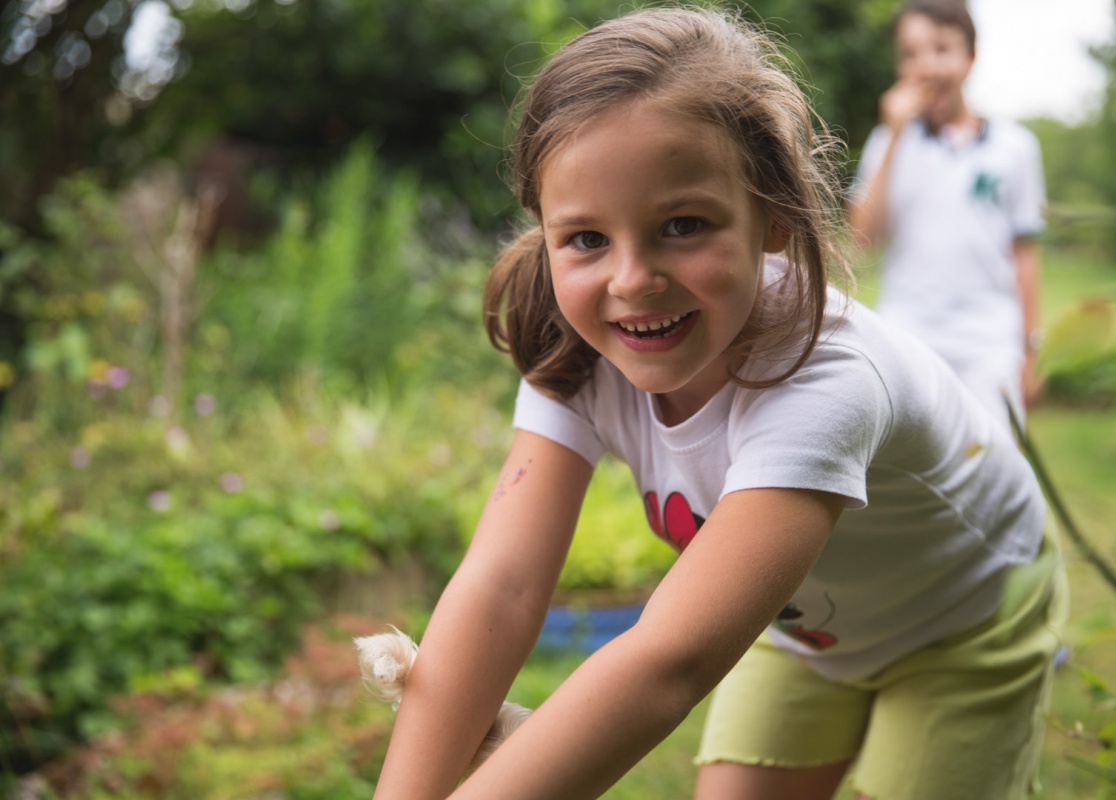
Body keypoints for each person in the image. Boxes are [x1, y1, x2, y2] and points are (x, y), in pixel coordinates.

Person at [370, 7, 1066, 800]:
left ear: (772, 218)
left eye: (682, 225)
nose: (632, 281)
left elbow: (670, 662)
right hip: (809, 633)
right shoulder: (576, 348)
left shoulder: (824, 377)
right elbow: (501, 585)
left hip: (967, 618)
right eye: (587, 239)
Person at [848, 0, 1047, 429]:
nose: (925, 67)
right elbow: (861, 241)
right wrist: (894, 135)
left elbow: (1025, 255)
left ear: (970, 58)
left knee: (994, 464)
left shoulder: (1016, 148)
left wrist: (1032, 349)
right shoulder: (886, 142)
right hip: (907, 335)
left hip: (990, 341)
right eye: (910, 53)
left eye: (941, 49)